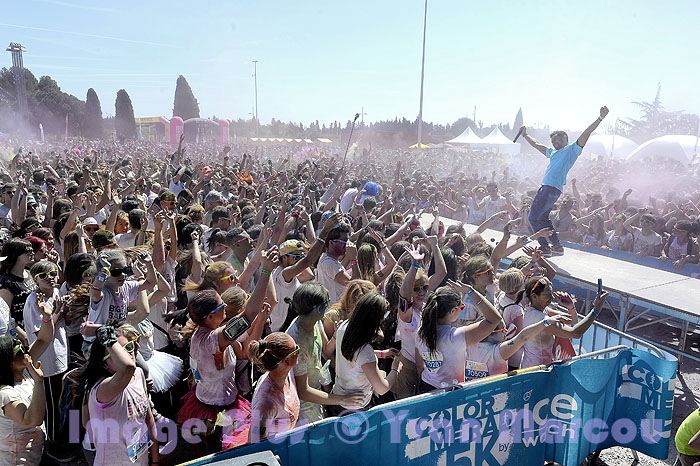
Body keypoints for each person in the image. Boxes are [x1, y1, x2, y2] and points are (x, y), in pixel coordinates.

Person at [520, 106, 609, 256]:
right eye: (553, 141)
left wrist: (600, 118)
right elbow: (537, 145)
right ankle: (557, 246)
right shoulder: (552, 152)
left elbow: (586, 133)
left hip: (550, 188)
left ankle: (545, 247)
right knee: (543, 218)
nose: (555, 142)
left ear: (566, 139)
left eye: (558, 140)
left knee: (533, 218)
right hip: (552, 189)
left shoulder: (572, 149)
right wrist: (525, 135)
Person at [285, 282, 364, 423]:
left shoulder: (315, 321)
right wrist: (342, 399)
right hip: (305, 410)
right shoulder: (297, 345)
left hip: (320, 394)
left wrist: (337, 335)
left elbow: (326, 350)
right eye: (326, 304)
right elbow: (303, 392)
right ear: (318, 309)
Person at [84, 324, 161, 466]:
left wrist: (155, 460)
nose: (128, 354)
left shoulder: (138, 374)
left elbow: (148, 419)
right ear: (104, 364)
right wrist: (102, 331)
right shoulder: (103, 389)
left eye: (129, 347)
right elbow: (127, 367)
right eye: (118, 353)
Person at [0, 293, 55, 466]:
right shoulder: (6, 393)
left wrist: (46, 317)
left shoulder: (22, 369)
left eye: (24, 347)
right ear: (7, 363)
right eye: (19, 352)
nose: (26, 353)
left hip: (35, 454)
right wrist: (39, 382)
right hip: (17, 460)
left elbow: (44, 339)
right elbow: (32, 420)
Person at [331, 292, 401, 412]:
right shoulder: (365, 351)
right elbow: (381, 388)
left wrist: (381, 353)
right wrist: (395, 369)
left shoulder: (344, 326)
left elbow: (352, 354)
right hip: (356, 408)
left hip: (339, 397)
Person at [519, 277, 607, 368]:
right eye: (547, 295)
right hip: (535, 371)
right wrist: (596, 310)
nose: (551, 298)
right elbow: (575, 333)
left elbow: (572, 320)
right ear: (534, 296)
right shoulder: (539, 318)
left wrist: (570, 307)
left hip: (539, 368)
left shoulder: (541, 309)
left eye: (551, 294)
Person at [248, 332, 300, 441]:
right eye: (297, 350)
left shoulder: (288, 373)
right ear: (286, 361)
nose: (299, 352)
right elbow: (254, 443)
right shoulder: (266, 404)